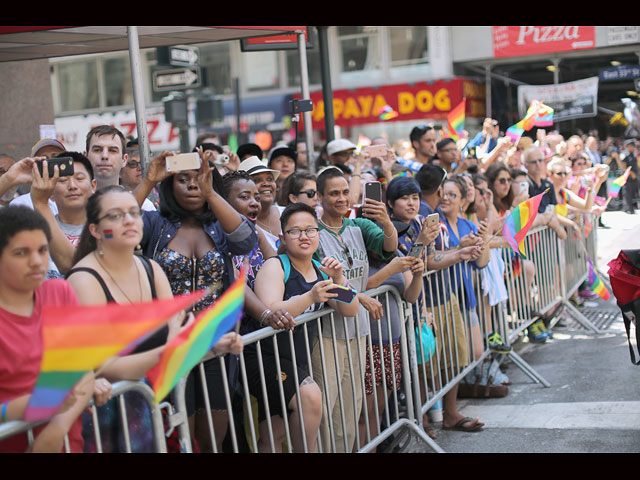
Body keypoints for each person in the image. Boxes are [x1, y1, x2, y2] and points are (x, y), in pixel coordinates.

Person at [64, 185, 205, 452]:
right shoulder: (83, 280)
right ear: (95, 230)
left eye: (134, 213)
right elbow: (101, 366)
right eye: (116, 216)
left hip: (151, 409)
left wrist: (212, 342)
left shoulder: (151, 268)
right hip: (106, 422)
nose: (129, 220)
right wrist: (168, 351)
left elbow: (178, 332)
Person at [132, 149, 256, 453]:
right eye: (183, 180)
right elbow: (117, 223)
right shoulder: (154, 224)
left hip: (216, 344)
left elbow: (246, 239)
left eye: (197, 179)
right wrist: (148, 181)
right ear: (170, 186)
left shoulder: (217, 224)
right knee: (180, 435)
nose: (191, 186)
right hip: (169, 346)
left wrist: (211, 190)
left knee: (213, 435)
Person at [253, 202, 359, 452]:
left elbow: (350, 310)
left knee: (273, 432)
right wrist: (309, 298)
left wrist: (338, 278)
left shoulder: (320, 272)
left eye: (310, 230)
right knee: (310, 396)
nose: (304, 236)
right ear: (282, 236)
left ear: (318, 235)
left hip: (296, 360)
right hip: (265, 357)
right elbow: (272, 312)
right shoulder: (275, 266)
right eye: (295, 231)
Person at [311, 166, 398, 453]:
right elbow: (325, 282)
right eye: (333, 193)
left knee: (352, 406)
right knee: (328, 408)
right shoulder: (313, 234)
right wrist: (361, 297)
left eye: (346, 192)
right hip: (327, 332)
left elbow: (389, 247)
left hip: (358, 330)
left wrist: (387, 223)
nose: (341, 198)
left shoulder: (358, 226)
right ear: (320, 197)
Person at [388, 174, 484, 433]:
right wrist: (423, 241)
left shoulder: (421, 220)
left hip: (442, 298)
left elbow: (430, 259)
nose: (411, 203)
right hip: (414, 307)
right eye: (404, 198)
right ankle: (423, 419)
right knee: (420, 365)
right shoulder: (389, 230)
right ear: (390, 203)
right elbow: (409, 263)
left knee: (455, 356)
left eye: (415, 198)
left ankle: (450, 412)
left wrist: (458, 254)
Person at [0, 206, 94, 453]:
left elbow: (84, 370)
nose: (36, 261)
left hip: (67, 443)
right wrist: (23, 408)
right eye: (21, 253)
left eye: (43, 250)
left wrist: (55, 431)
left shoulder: (59, 292)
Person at [28, 152, 98, 277]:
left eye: (79, 178)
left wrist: (41, 203)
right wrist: (9, 179)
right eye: (62, 180)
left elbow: (73, 267)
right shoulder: (34, 231)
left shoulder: (103, 230)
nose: (72, 186)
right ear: (51, 192)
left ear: (93, 186)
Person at [84, 125, 155, 212]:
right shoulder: (73, 204)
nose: (105, 156)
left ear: (124, 159)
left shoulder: (145, 206)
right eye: (97, 150)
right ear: (86, 156)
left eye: (112, 150)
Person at [238, 156, 283, 253]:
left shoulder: (288, 213)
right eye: (257, 180)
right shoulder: (241, 226)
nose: (266, 184)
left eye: (270, 179)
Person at [9, 138, 66, 212]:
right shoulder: (21, 204)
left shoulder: (77, 197)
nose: (50, 164)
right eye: (44, 159)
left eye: (55, 157)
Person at [620, 139, 639, 214]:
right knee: (627, 193)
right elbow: (623, 166)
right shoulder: (625, 154)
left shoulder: (633, 154)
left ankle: (632, 207)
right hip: (627, 177)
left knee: (632, 192)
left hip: (633, 177)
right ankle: (627, 208)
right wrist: (631, 173)